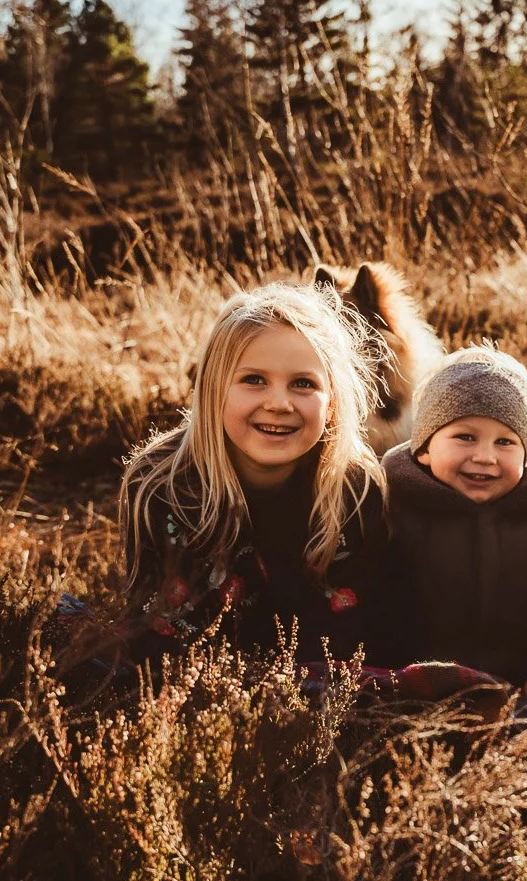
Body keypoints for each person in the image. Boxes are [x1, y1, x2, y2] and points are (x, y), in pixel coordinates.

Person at [117, 282, 395, 667]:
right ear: (214, 389)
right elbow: (159, 636)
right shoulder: (162, 487)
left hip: (320, 685)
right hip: (198, 685)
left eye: (303, 383)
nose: (279, 403)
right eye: (253, 380)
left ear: (332, 401)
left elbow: (352, 633)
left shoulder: (354, 490)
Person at [382, 346, 527, 711]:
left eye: (505, 442)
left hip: (520, 680)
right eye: (465, 437)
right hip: (418, 681)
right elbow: (377, 609)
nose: (485, 457)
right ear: (425, 448)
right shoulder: (393, 511)